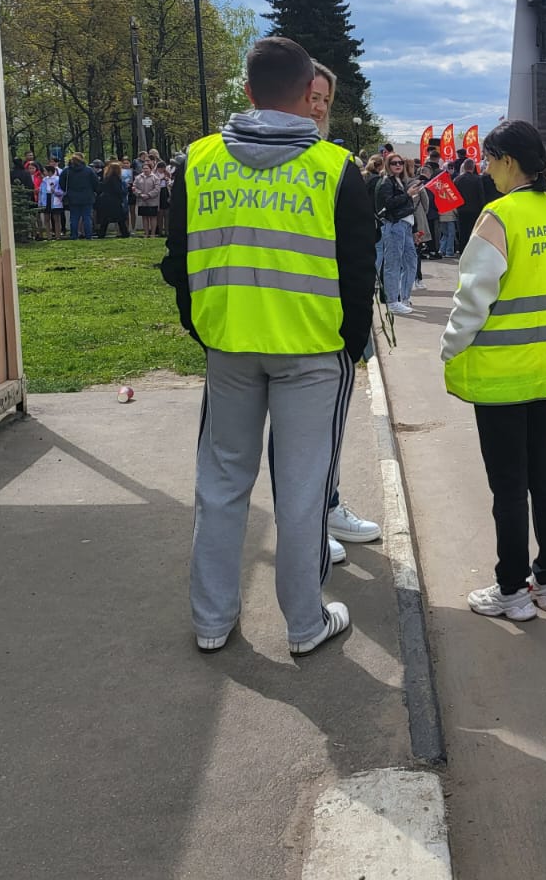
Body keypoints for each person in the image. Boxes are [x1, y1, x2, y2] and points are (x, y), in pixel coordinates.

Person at [160, 36, 375, 657]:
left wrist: (201, 327)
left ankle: (212, 620)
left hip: (229, 347)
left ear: (248, 91)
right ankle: (304, 623)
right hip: (311, 352)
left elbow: (177, 259)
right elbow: (357, 270)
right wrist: (350, 346)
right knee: (302, 491)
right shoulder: (335, 168)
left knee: (221, 483)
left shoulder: (198, 161)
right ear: (310, 94)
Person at [440, 120, 546, 621]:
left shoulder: (498, 215)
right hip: (544, 365)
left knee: (509, 486)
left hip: (501, 373)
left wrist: (450, 345)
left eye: (491, 159)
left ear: (509, 161)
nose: (486, 168)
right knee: (544, 476)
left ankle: (512, 589)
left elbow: (474, 296)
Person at [375, 154, 424, 313]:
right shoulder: (387, 182)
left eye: (400, 163)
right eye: (394, 163)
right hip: (395, 224)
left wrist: (414, 230)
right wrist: (407, 195)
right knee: (393, 263)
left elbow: (407, 207)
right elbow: (387, 204)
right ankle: (392, 301)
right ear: (388, 165)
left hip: (405, 225)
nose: (398, 165)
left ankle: (403, 298)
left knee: (410, 261)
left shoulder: (398, 181)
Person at [60, 153, 97, 239]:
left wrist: (67, 191)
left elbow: (61, 183)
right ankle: (88, 235)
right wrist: (93, 191)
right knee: (87, 217)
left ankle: (74, 235)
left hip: (72, 197)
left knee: (74, 217)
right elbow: (95, 183)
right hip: (87, 196)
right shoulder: (89, 170)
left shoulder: (67, 171)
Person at [453, 159, 486, 252]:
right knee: (473, 230)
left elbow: (454, 196)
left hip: (461, 209)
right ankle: (472, 250)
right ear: (473, 167)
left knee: (462, 231)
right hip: (475, 210)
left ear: (464, 167)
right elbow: (481, 195)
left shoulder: (457, 179)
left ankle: (462, 249)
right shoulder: (478, 179)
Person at [95, 161, 131, 238]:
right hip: (115, 201)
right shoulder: (116, 179)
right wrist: (125, 191)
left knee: (105, 219)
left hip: (105, 200)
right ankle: (125, 233)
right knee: (120, 218)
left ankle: (101, 234)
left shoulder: (106, 178)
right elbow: (118, 190)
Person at [132, 159, 164, 237]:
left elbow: (157, 189)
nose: (145, 170)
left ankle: (152, 233)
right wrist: (140, 194)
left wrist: (149, 195)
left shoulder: (155, 178)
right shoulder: (138, 177)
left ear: (150, 169)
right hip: (142, 201)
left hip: (152, 201)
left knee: (153, 217)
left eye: (147, 168)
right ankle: (146, 233)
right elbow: (134, 188)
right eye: (144, 168)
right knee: (144, 217)